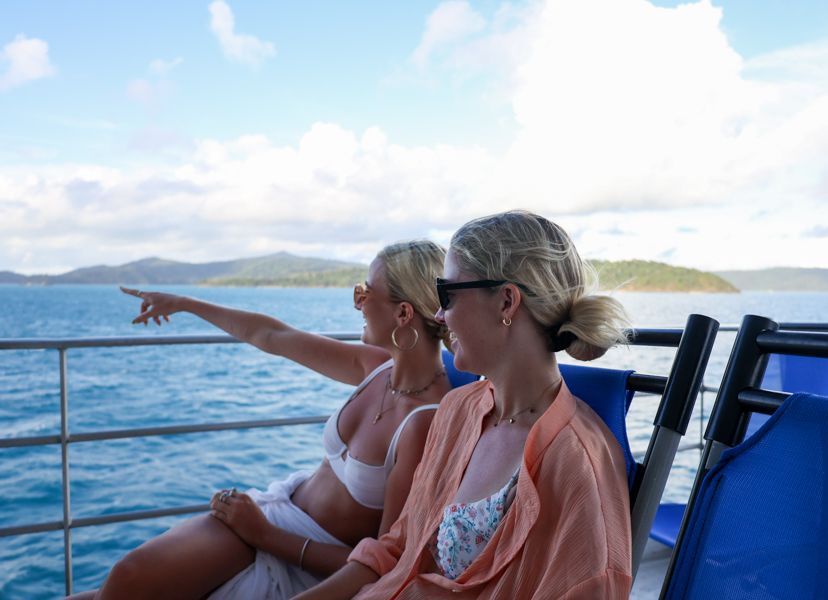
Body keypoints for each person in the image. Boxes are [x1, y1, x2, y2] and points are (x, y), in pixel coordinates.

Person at [68, 240, 452, 600]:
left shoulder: (424, 423)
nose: (357, 304)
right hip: (277, 509)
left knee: (128, 582)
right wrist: (184, 303)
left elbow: (386, 566)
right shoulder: (375, 367)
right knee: (120, 585)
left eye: (364, 294)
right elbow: (271, 334)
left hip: (298, 554)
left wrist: (263, 534)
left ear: (403, 313)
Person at [294, 210, 633, 599]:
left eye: (447, 295)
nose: (438, 314)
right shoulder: (459, 410)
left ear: (506, 301)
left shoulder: (576, 465)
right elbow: (399, 546)